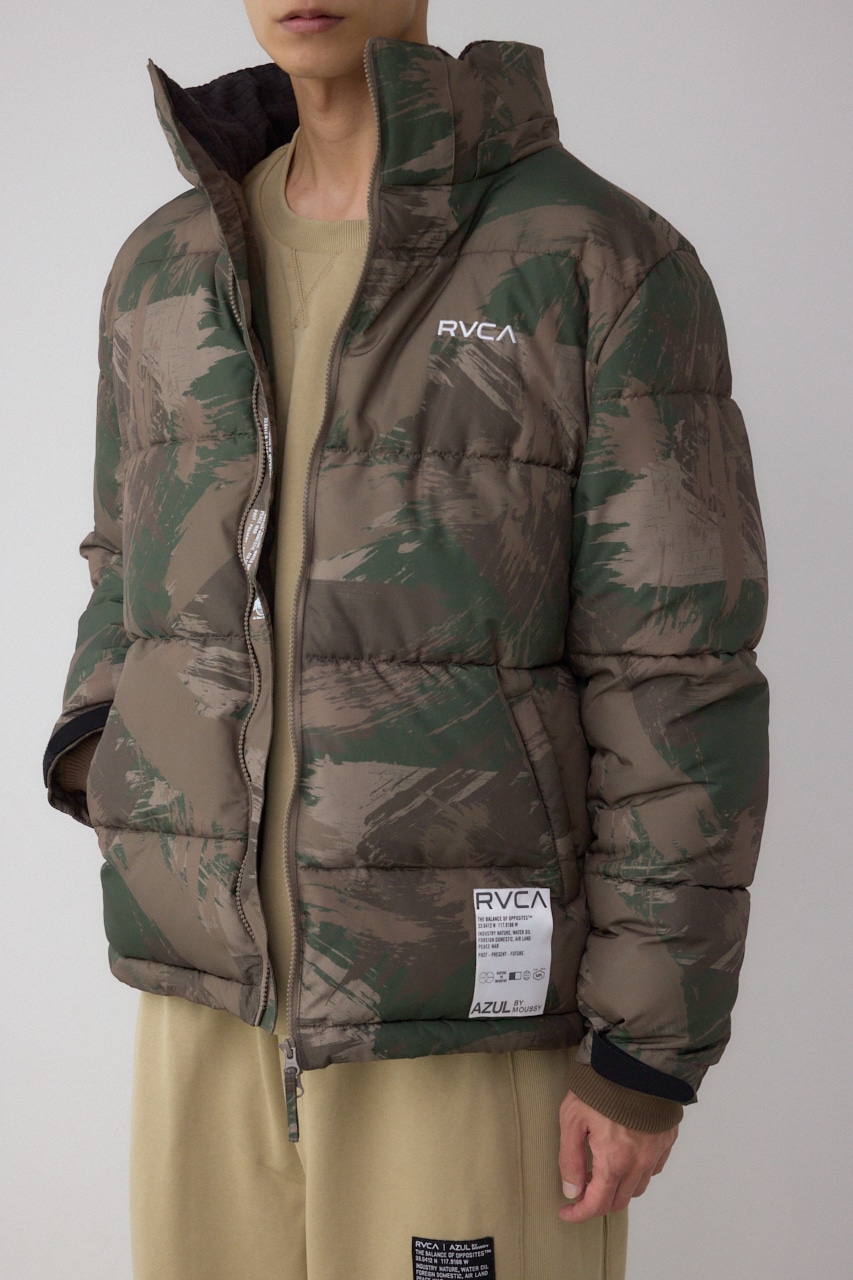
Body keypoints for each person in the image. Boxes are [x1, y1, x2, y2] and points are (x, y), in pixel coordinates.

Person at [43, 2, 769, 1277]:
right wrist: (107, 750)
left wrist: (647, 1048)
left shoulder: (597, 258)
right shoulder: (164, 263)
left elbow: (673, 664)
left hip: (470, 1011)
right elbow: (126, 558)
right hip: (208, 997)